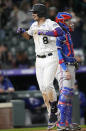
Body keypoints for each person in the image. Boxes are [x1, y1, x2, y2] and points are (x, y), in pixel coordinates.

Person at [17, 3, 64, 129]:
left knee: (48, 84)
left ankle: (54, 110)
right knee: (43, 88)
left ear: (41, 13)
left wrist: (44, 31)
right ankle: (52, 115)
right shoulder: (33, 25)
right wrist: (22, 32)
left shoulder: (50, 23)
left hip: (51, 57)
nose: (33, 14)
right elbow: (28, 36)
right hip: (39, 60)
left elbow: (59, 32)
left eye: (35, 12)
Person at [38, 12, 80, 131]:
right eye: (67, 21)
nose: (69, 23)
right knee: (65, 93)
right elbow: (59, 53)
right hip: (63, 66)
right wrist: (65, 69)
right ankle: (60, 123)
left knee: (69, 95)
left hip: (71, 65)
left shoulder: (67, 33)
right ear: (61, 21)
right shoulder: (60, 34)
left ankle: (67, 123)